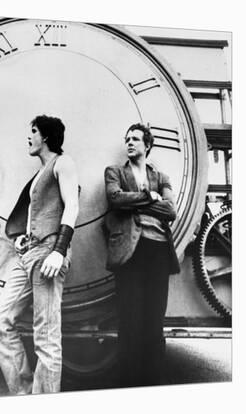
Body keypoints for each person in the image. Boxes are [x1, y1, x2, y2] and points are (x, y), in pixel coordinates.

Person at [0, 115, 79, 394]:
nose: (29, 137)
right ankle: (24, 394)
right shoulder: (39, 173)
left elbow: (72, 206)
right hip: (27, 255)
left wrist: (59, 250)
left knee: (47, 337)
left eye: (34, 131)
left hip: (49, 253)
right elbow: (36, 213)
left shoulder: (63, 163)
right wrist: (22, 239)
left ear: (47, 137)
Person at [104, 123, 180, 387]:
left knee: (154, 320)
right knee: (129, 320)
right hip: (130, 252)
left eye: (135, 138)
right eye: (127, 139)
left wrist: (137, 200)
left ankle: (153, 383)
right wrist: (150, 197)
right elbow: (115, 199)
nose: (130, 143)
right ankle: (128, 384)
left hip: (158, 250)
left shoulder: (162, 176)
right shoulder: (114, 172)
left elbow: (170, 211)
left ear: (147, 145)